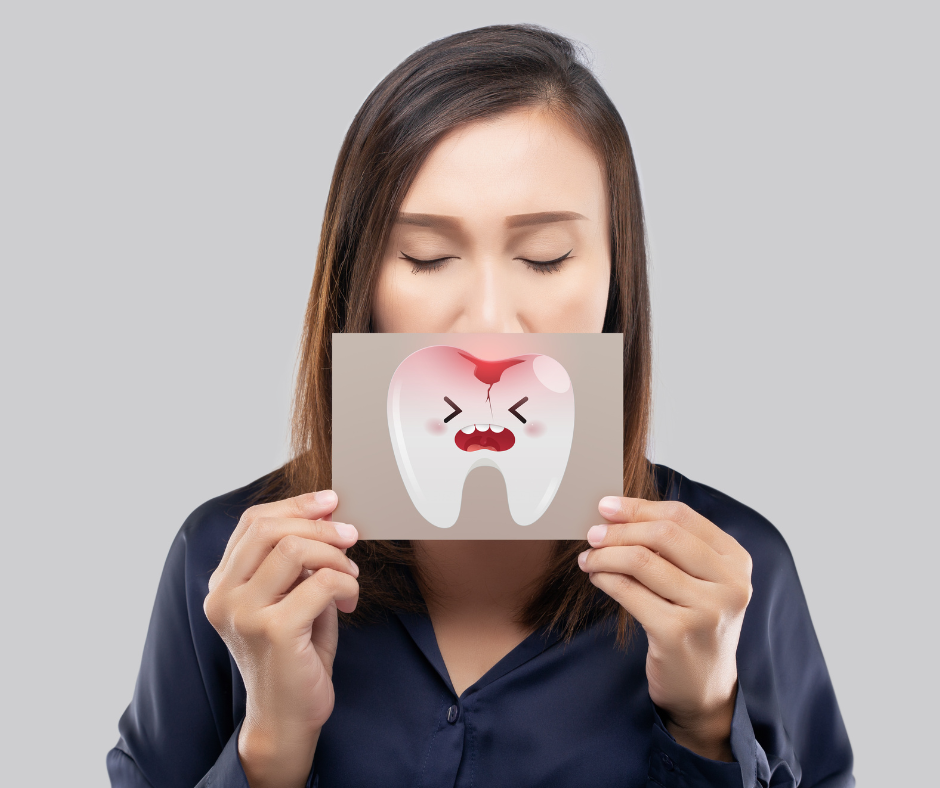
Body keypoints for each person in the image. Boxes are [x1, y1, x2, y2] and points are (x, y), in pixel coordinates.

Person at [106, 24, 854, 788]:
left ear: (615, 278)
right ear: (358, 282)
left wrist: (706, 723)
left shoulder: (736, 573)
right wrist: (269, 746)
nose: (491, 322)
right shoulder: (223, 564)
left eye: (545, 257)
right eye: (426, 258)